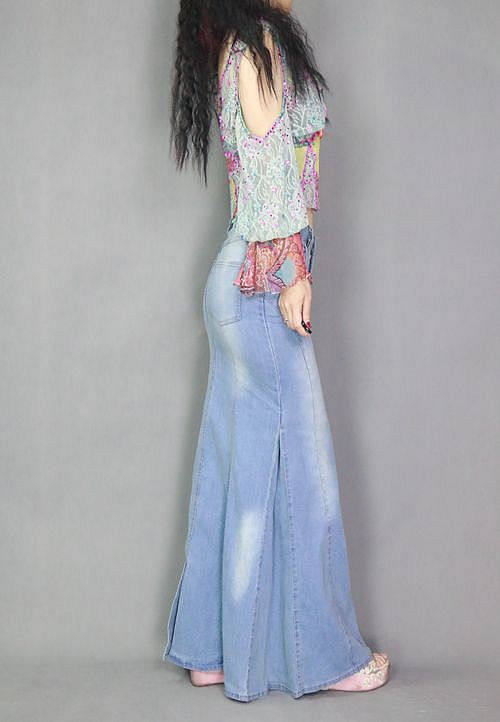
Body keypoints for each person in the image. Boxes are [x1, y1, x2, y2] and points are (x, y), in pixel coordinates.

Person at [162, 0, 390, 702]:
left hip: (238, 281)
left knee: (230, 472)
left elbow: (269, 169)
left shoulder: (241, 43)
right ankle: (329, 659)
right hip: (263, 281)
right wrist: (293, 272)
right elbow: (266, 169)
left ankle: (210, 651)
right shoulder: (256, 39)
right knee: (306, 479)